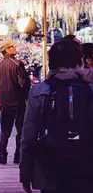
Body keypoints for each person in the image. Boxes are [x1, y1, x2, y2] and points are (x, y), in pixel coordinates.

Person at [20, 40, 93, 193]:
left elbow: (28, 135)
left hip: (51, 161)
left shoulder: (40, 90)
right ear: (79, 62)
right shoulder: (89, 90)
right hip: (87, 161)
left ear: (51, 62)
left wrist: (25, 171)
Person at [0, 39, 30, 164]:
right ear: (7, 50)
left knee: (5, 130)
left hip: (5, 102)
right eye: (12, 47)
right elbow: (24, 84)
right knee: (20, 129)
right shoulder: (17, 64)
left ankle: (2, 154)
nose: (15, 48)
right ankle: (17, 156)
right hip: (18, 101)